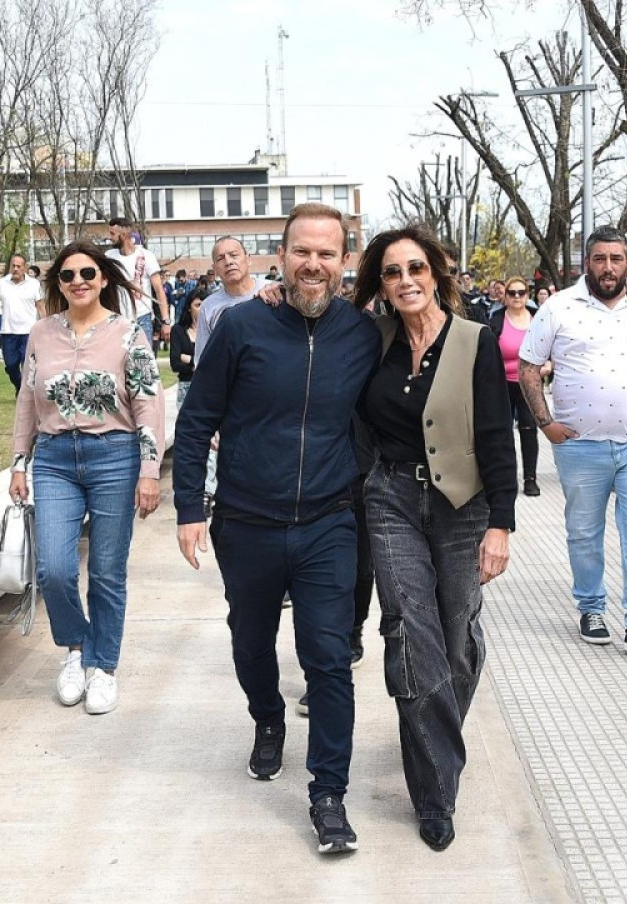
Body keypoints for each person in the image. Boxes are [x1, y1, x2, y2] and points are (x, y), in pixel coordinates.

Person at [174, 203, 379, 855]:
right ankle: (267, 718)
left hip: (329, 523)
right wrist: (188, 509)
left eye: (327, 253)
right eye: (301, 252)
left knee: (328, 659)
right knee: (251, 642)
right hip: (248, 523)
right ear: (281, 257)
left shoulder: (364, 334)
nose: (313, 264)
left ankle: (329, 796)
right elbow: (196, 418)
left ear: (345, 261)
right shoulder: (243, 328)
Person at [354, 223, 515, 852]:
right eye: (392, 273)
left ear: (436, 274)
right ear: (381, 284)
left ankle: (431, 746)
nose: (405, 282)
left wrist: (501, 523)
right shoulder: (373, 338)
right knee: (410, 633)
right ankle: (435, 789)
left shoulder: (474, 341)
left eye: (415, 269)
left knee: (456, 640)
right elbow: (310, 318)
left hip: (462, 506)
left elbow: (498, 438)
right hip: (390, 497)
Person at [518, 225, 627, 661]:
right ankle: (591, 609)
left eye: (616, 259)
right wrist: (546, 424)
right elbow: (527, 366)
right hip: (581, 448)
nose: (609, 267)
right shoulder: (559, 307)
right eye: (600, 259)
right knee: (584, 533)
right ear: (587, 262)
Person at [10, 240, 164, 715]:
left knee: (105, 571)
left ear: (103, 280)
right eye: (68, 275)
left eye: (88, 274)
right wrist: (19, 461)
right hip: (55, 458)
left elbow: (147, 401)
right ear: (57, 283)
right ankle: (76, 648)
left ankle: (105, 667)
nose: (78, 282)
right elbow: (26, 400)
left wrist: (149, 470)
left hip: (113, 456)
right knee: (53, 568)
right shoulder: (40, 333)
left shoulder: (126, 333)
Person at [489, 276, 545, 496]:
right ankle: (506, 476)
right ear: (506, 296)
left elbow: (549, 348)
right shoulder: (495, 320)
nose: (516, 297)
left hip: (528, 383)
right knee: (503, 432)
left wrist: (547, 366)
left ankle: (530, 478)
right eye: (512, 293)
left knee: (529, 429)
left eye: (521, 293)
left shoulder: (537, 320)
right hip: (502, 383)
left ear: (527, 295)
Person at [195, 236, 267, 360]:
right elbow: (203, 360)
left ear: (248, 259)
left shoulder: (273, 290)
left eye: (234, 255)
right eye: (220, 259)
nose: (228, 262)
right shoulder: (209, 306)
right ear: (215, 268)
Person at [0, 254, 44, 394]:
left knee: (27, 366)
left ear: (24, 268)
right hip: (8, 332)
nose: (16, 269)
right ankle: (20, 386)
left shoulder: (34, 284)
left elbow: (40, 307)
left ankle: (25, 392)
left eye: (19, 266)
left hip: (28, 332)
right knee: (11, 365)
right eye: (13, 266)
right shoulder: (2, 283)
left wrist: (45, 325)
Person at [106, 217, 169, 345]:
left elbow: (159, 291)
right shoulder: (108, 257)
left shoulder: (146, 256)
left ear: (123, 236)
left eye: (113, 233)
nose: (109, 237)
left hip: (142, 318)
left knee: (144, 361)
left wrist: (165, 321)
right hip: (117, 319)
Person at [169, 288, 202, 408]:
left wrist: (189, 359)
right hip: (186, 386)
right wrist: (198, 364)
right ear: (189, 308)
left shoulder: (213, 331)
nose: (202, 309)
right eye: (198, 305)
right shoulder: (178, 330)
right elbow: (175, 363)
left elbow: (216, 362)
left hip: (209, 386)